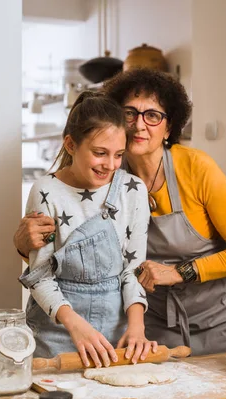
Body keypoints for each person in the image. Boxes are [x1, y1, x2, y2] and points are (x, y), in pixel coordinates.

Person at [15, 69, 226, 355]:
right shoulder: (108, 173)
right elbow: (69, 246)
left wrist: (179, 272)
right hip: (155, 319)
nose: (139, 125)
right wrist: (25, 245)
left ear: (169, 128)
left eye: (153, 115)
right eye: (130, 113)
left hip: (224, 317)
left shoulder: (196, 168)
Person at [18, 91, 157, 367]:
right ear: (70, 144)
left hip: (114, 334)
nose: (111, 165)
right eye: (99, 153)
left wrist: (137, 326)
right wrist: (75, 326)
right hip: (56, 330)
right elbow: (40, 276)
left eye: (118, 154)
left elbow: (133, 269)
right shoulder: (46, 191)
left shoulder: (133, 190)